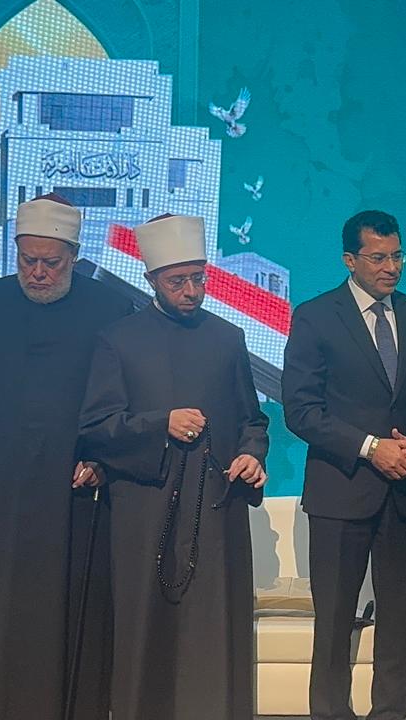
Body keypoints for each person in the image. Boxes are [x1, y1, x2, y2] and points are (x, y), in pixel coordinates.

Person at [0, 194, 132, 720]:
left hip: (75, 490)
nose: (38, 273)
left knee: (71, 611)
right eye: (27, 260)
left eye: (51, 262)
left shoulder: (110, 310)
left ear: (74, 256)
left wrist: (104, 461)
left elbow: (123, 401)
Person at [78, 213, 268, 720]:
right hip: (144, 512)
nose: (191, 292)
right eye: (177, 281)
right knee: (146, 631)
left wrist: (252, 454)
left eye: (199, 279)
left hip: (215, 511)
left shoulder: (227, 338)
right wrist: (161, 423)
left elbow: (253, 420)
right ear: (151, 280)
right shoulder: (118, 340)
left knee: (212, 632)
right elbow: (96, 427)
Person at [282, 210, 406, 720]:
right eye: (378, 258)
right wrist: (372, 448)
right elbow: (301, 410)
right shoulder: (315, 316)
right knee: (333, 622)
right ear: (349, 260)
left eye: (397, 256)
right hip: (340, 492)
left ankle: (391, 713)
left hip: (405, 492)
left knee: (399, 621)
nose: (391, 267)